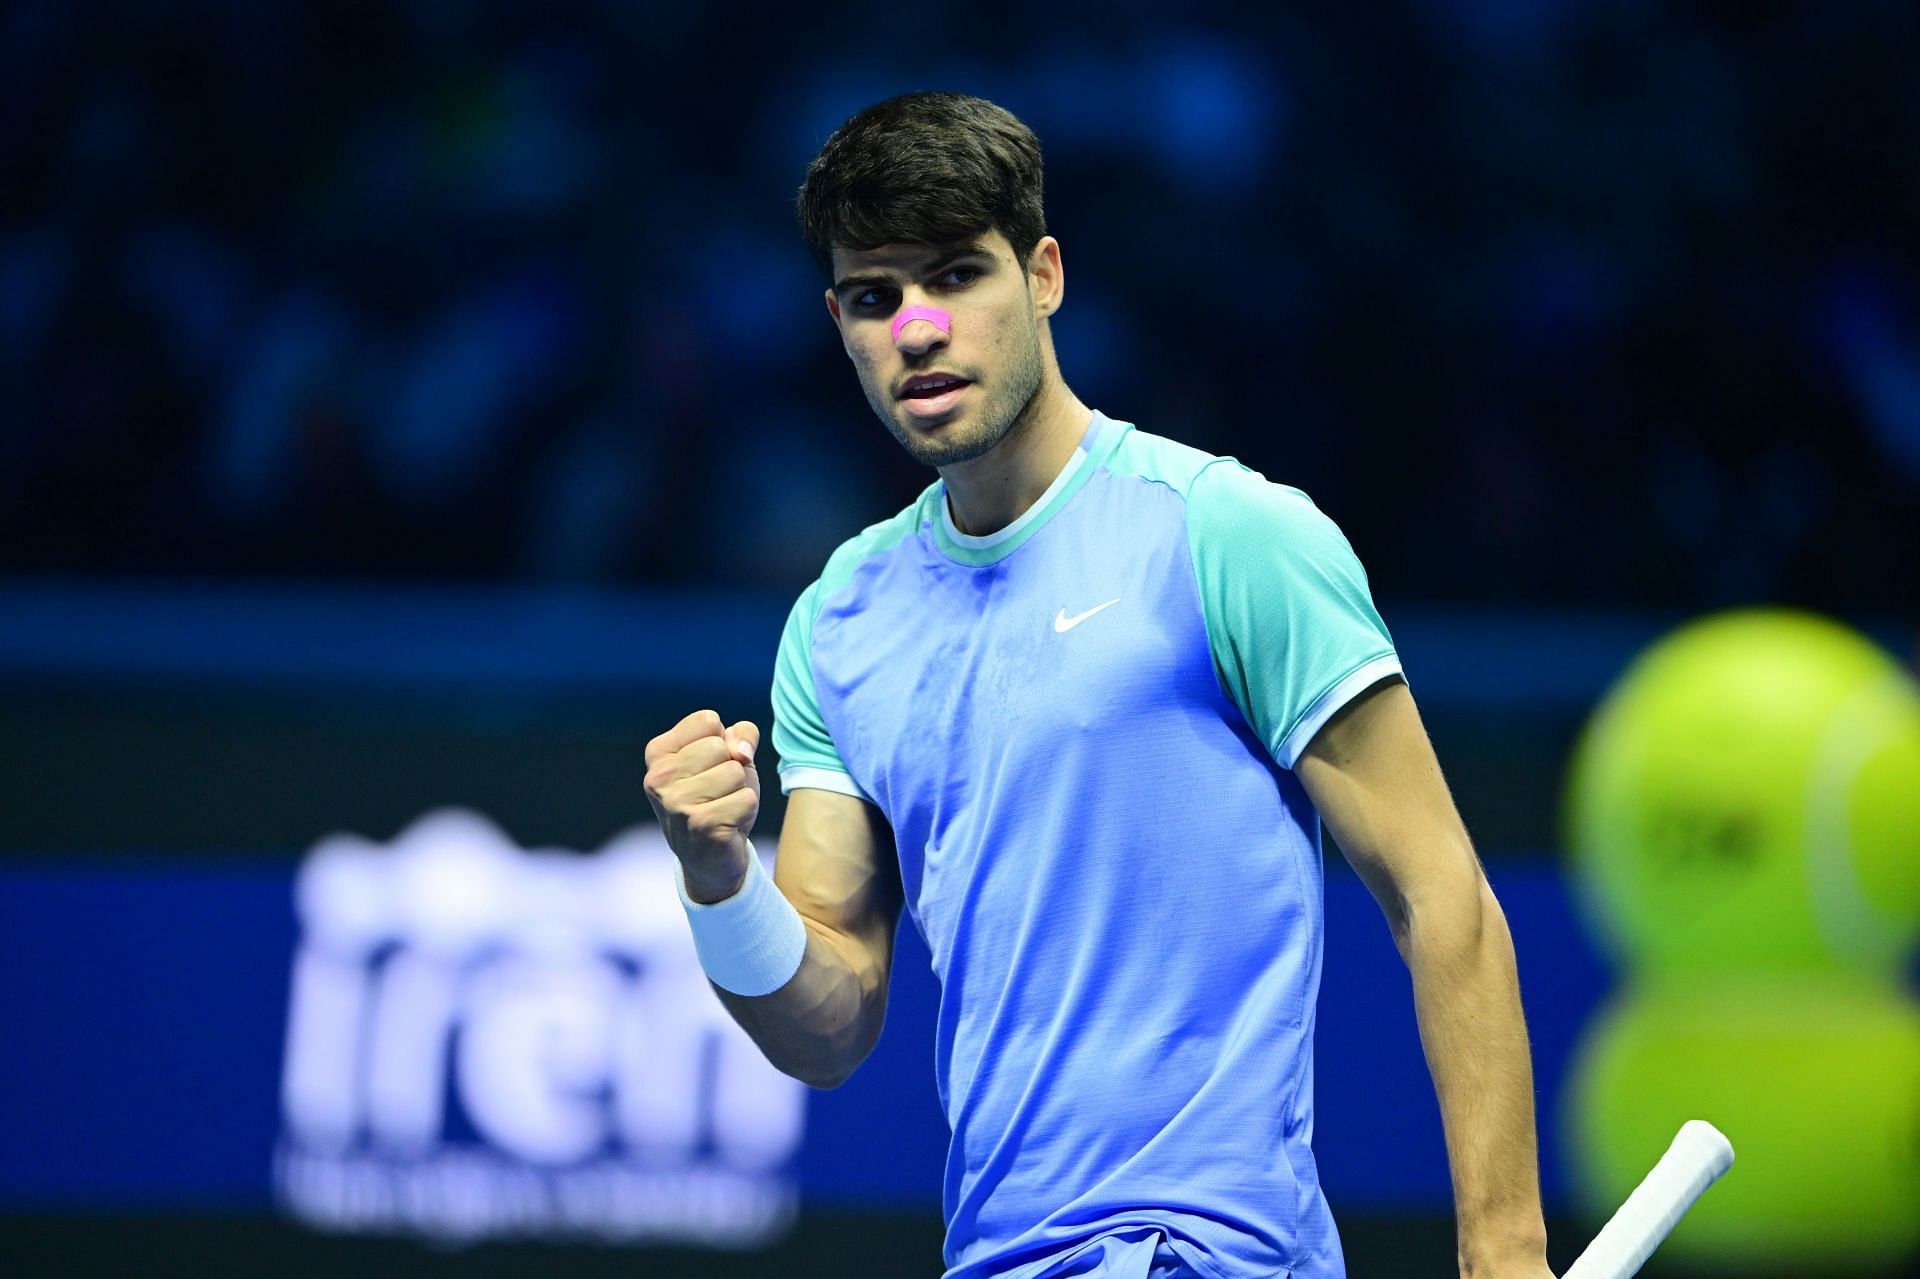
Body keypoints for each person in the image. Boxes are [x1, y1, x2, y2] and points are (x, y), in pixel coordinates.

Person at [644, 92, 1553, 1279]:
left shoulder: (1229, 533)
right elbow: (830, 1021)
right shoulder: (838, 622)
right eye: (876, 297)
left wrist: (1506, 1251)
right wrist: (719, 883)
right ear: (839, 322)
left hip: (1214, 1254)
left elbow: (1443, 895)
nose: (917, 329)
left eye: (957, 276)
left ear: (1045, 275)